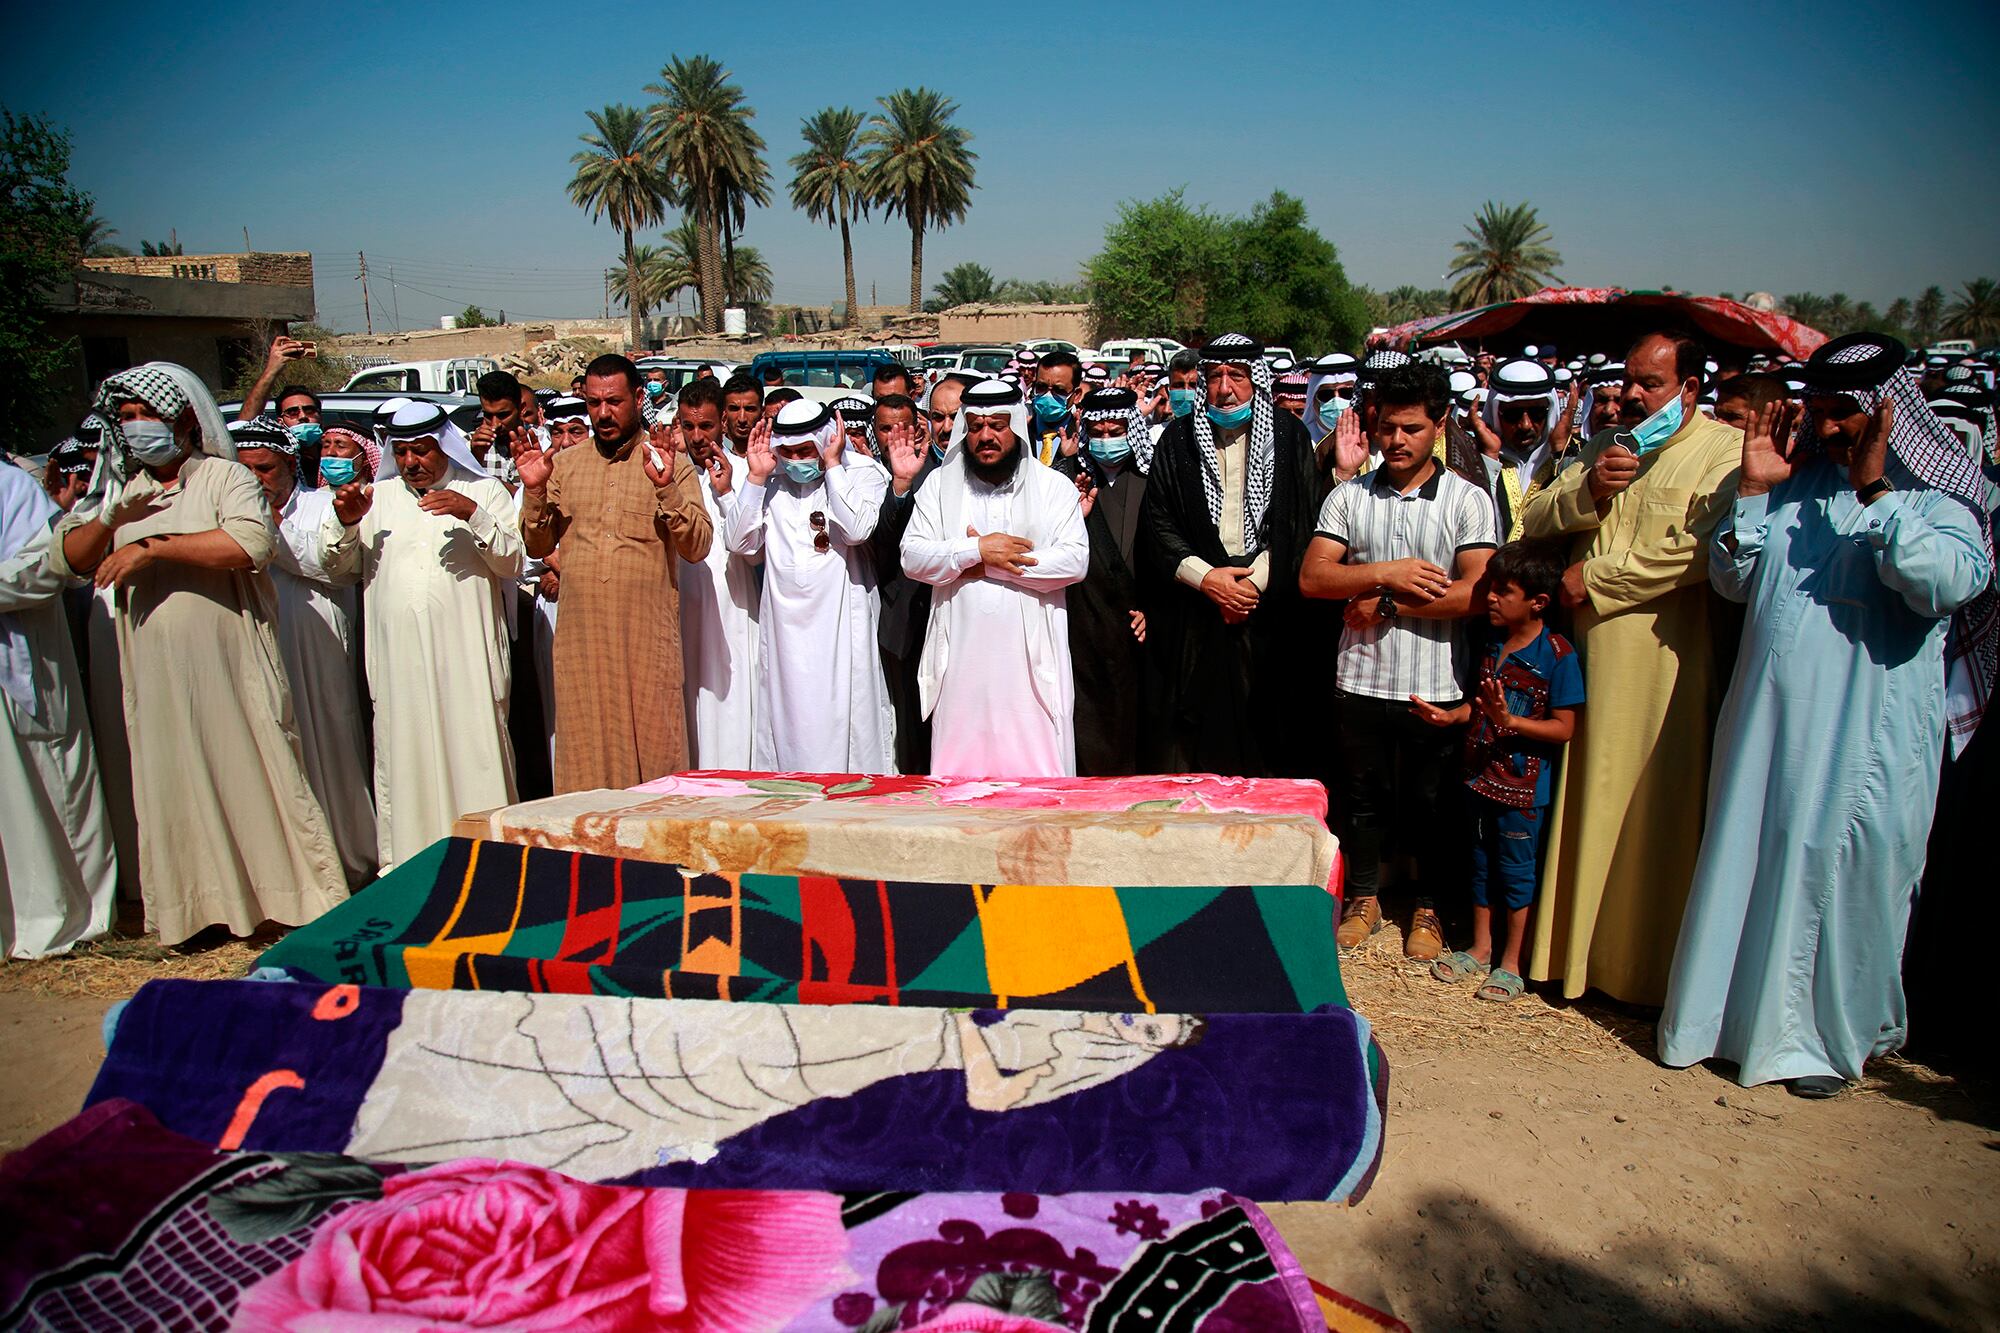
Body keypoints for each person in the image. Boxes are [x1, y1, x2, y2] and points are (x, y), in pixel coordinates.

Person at [1658, 334, 1995, 1095]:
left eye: (1846, 413)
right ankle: (1723, 1025)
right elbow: (1733, 580)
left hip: (1865, 737)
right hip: (1767, 726)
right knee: (1753, 853)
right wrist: (1752, 490)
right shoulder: (1791, 482)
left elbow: (1944, 583)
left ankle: (1820, 1044)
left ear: (1888, 413)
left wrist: (1877, 495)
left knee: (1844, 877)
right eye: (1821, 411)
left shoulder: (1939, 497)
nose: (1831, 427)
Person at [51, 363, 345, 943]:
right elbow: (73, 557)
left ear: (184, 418)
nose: (137, 427)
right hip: (156, 673)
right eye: (128, 417)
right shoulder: (124, 492)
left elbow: (248, 543)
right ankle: (196, 911)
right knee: (173, 780)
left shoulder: (224, 478)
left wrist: (154, 549)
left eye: (148, 414)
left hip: (229, 663)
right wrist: (112, 516)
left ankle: (290, 902)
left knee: (254, 768)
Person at [1520, 331, 1743, 1004]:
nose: (1634, 394)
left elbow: (1702, 552)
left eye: (1651, 382)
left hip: (1663, 669)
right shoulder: (1604, 444)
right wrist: (1586, 487)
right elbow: (1532, 515)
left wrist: (1597, 578)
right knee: (1584, 804)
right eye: (1629, 380)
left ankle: (1638, 974)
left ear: (1691, 390)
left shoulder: (1723, 452)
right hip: (1586, 663)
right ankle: (1570, 963)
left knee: (1652, 815)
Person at [1300, 362, 1499, 959]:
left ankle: (1430, 910)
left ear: (1440, 424)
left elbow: (1476, 593)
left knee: (1431, 804)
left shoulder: (1468, 501)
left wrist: (1381, 602)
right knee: (1361, 798)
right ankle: (1364, 899)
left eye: (1412, 428)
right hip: (1359, 678)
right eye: (1387, 427)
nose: (1397, 441)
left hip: (1434, 680)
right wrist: (1389, 573)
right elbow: (1314, 577)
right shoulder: (1348, 496)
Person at [321, 400, 522, 870]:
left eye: (423, 451)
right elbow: (337, 569)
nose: (412, 462)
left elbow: (512, 561)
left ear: (444, 448)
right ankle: (411, 871)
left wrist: (472, 513)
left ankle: (490, 869)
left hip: (467, 664)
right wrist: (347, 523)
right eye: (404, 451)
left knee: (475, 757)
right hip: (399, 667)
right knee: (405, 762)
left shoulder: (484, 491)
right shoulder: (377, 498)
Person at [518, 353, 711, 792]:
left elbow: (698, 546)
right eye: (594, 402)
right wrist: (533, 491)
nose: (603, 413)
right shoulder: (564, 467)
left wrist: (665, 488)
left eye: (615, 401)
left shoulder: (669, 463)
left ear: (639, 398)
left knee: (655, 754)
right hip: (583, 643)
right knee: (586, 754)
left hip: (646, 641)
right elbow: (537, 544)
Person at [1141, 334, 1320, 776]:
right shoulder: (1177, 440)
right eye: (1216, 376)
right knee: (1197, 741)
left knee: (1270, 735)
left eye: (1236, 376)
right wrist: (1209, 581)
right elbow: (1157, 524)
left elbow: (1301, 519)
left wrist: (1250, 584)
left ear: (1255, 381)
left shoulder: (1289, 435)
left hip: (1267, 609)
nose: (1225, 388)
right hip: (1198, 614)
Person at [1413, 541, 1584, 1000]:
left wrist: (1512, 722)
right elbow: (1482, 706)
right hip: (1479, 777)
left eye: (1502, 591)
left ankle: (1512, 963)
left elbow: (1564, 728)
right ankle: (1481, 948)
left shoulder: (1558, 655)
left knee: (1517, 871)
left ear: (1538, 601)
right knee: (1481, 862)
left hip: (1522, 788)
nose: (1489, 597)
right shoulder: (1494, 643)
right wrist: (1452, 717)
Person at [901, 379, 1090, 776]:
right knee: (961, 784)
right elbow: (912, 557)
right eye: (975, 427)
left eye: (998, 425)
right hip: (960, 670)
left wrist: (984, 562)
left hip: (1032, 671)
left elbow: (1074, 561)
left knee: (1036, 783)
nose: (986, 436)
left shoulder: (1053, 487)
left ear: (1017, 427)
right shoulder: (938, 487)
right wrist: (975, 551)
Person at [228, 418, 376, 887]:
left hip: (318, 639)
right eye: (246, 471)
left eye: (266, 469)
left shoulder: (319, 506)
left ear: (290, 466)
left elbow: (333, 566)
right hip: (256, 635)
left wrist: (264, 532)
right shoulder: (233, 512)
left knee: (330, 743)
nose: (257, 480)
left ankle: (350, 858)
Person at [727, 398, 895, 772]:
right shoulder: (769, 484)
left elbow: (856, 531)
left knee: (845, 716)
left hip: (840, 620)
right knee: (789, 718)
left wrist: (834, 465)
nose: (796, 460)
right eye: (788, 452)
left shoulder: (863, 472)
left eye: (806, 450)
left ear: (825, 440)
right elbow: (739, 544)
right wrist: (755, 478)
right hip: (785, 629)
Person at [0, 461, 117, 957]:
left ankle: (61, 917)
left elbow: (49, 567)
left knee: (40, 796)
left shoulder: (11, 488)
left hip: (19, 665)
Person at [1054, 386, 1153, 775]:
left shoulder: (1156, 478)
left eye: (1117, 432)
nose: (1107, 442)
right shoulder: (1062, 481)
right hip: (1082, 630)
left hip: (1139, 635)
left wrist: (1154, 609)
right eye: (1099, 433)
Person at [676, 376, 761, 770]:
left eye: (705, 426)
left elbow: (755, 550)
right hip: (682, 608)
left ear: (722, 424)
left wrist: (728, 493)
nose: (697, 436)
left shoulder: (749, 473)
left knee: (732, 702)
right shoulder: (668, 476)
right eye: (688, 426)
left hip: (733, 608)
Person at [873, 386, 951, 774]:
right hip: (906, 623)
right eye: (939, 418)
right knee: (911, 735)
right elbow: (882, 544)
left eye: (955, 418)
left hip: (957, 620)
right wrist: (901, 487)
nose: (947, 427)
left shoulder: (963, 471)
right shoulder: (881, 476)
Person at [525, 397, 590, 763]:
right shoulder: (536, 478)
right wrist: (548, 568)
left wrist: (567, 571)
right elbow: (524, 550)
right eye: (559, 432)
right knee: (559, 713)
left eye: (575, 432)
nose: (565, 441)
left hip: (599, 610)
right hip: (553, 614)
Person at [232, 333, 317, 422]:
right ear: (281, 421)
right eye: (292, 412)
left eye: (309, 410)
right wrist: (271, 370)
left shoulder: (330, 434)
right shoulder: (273, 435)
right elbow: (245, 424)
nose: (303, 416)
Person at [1029, 350, 1084, 465]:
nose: (1048, 396)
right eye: (1041, 387)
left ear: (1077, 395)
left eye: (1059, 390)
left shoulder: (1083, 437)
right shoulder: (1020, 433)